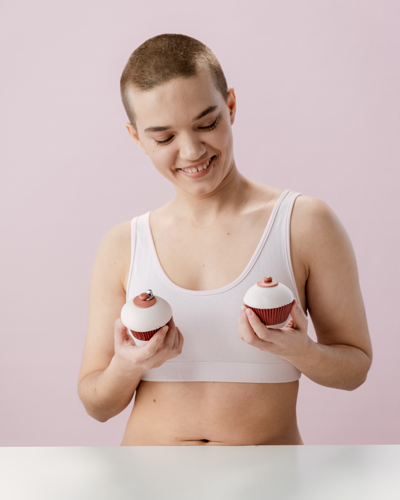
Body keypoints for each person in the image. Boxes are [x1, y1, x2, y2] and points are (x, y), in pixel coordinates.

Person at [77, 34, 372, 446]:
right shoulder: (123, 245)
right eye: (164, 138)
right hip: (146, 479)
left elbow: (355, 368)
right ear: (136, 138)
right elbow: (97, 403)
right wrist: (128, 367)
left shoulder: (304, 224)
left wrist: (301, 350)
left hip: (268, 480)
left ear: (230, 106)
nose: (192, 151)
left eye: (207, 123)